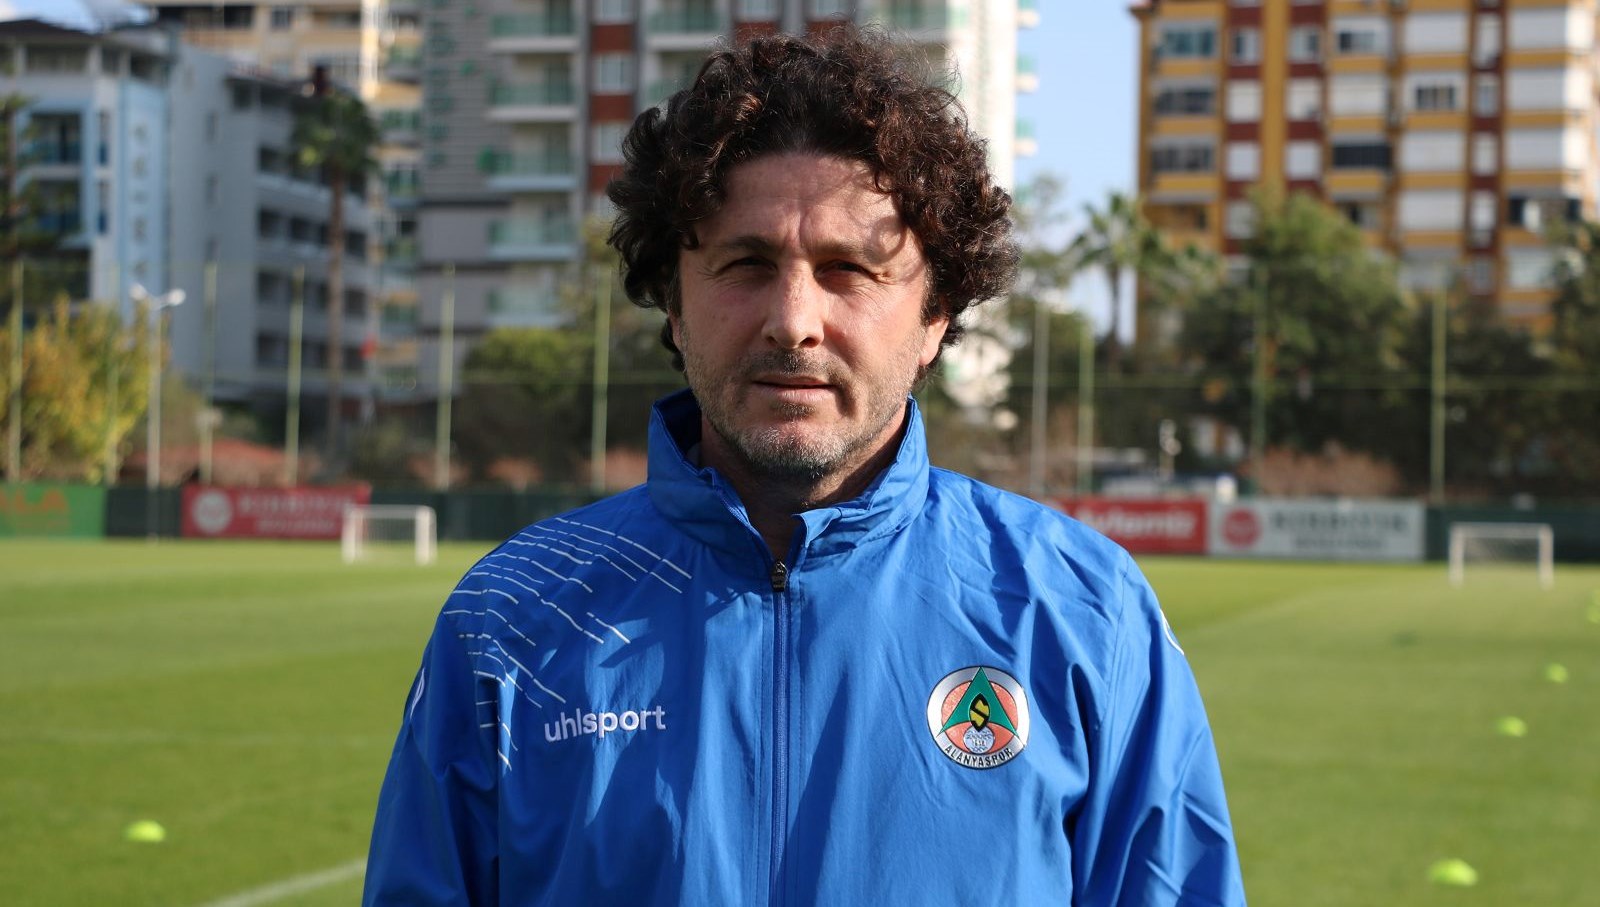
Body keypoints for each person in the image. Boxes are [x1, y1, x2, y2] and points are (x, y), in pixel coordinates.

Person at [363, 27, 1246, 906]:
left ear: (936, 314)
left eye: (848, 269)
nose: (793, 320)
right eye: (746, 264)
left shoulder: (1085, 614)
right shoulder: (512, 619)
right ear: (673, 301)